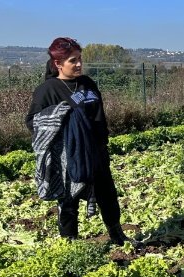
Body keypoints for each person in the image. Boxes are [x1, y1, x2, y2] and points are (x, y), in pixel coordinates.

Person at [25, 37, 131, 246]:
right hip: (68, 156)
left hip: (96, 151)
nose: (79, 64)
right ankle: (70, 243)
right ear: (58, 63)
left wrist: (101, 142)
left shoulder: (87, 84)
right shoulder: (48, 90)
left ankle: (117, 235)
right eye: (73, 60)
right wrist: (62, 117)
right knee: (68, 200)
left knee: (107, 194)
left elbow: (99, 115)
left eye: (80, 59)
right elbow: (33, 122)